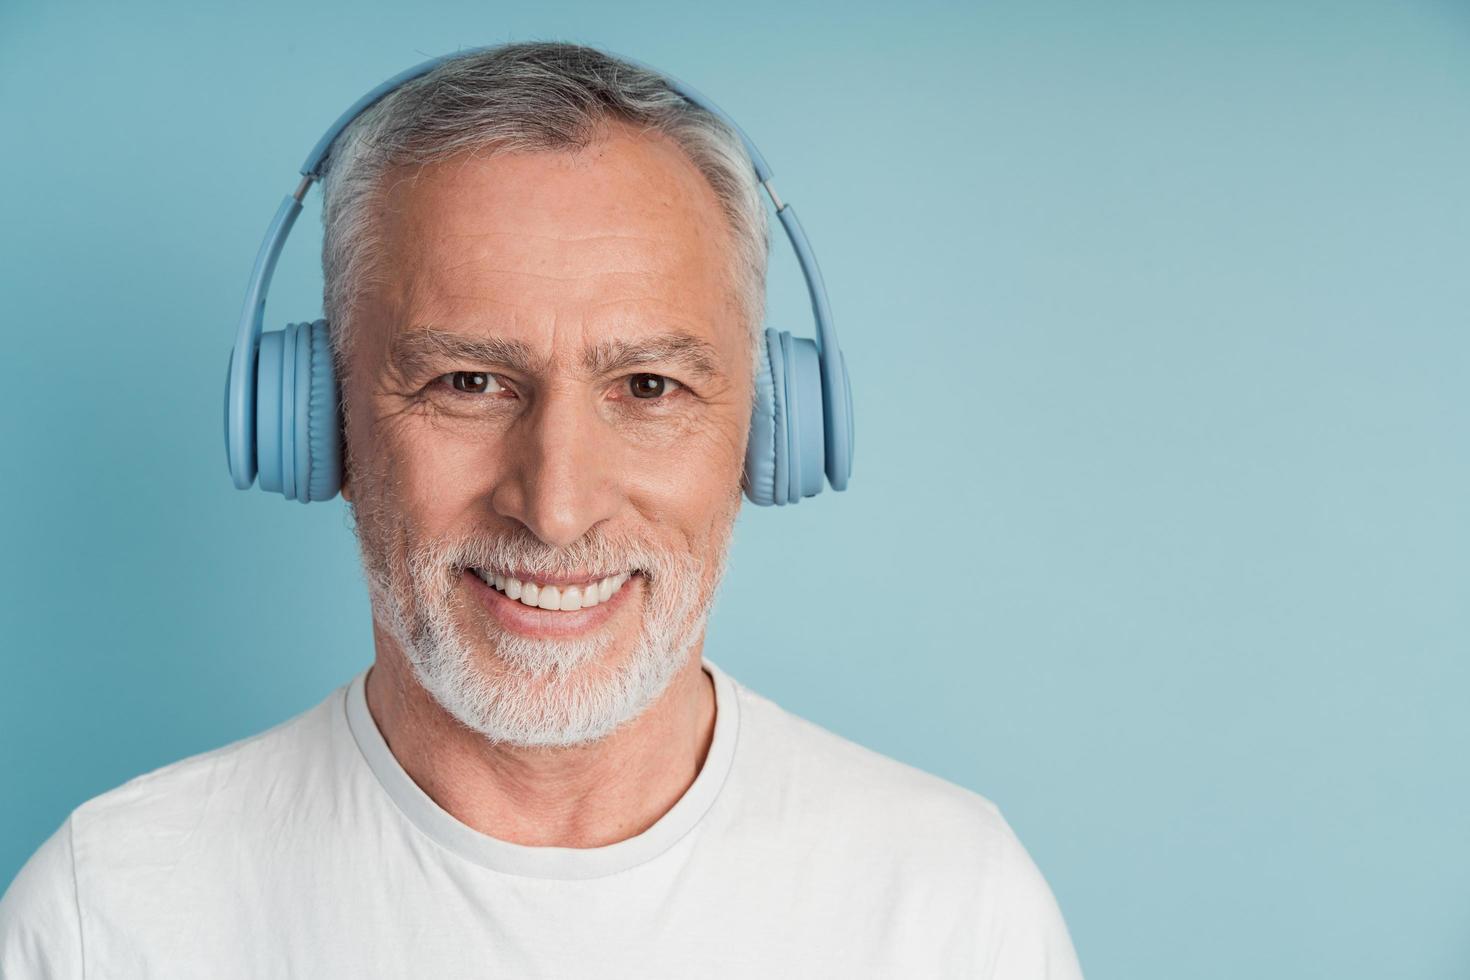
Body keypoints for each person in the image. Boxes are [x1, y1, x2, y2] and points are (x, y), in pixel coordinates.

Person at [0, 42, 1084, 978]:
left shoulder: (951, 909)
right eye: (468, 382)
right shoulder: (111, 917)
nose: (556, 509)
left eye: (649, 387)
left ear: (767, 429)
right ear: (315, 417)